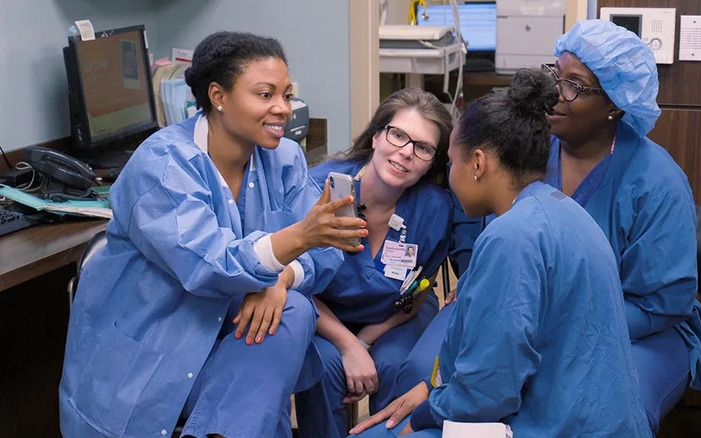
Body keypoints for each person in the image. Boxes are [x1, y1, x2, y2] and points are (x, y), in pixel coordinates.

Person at [397, 19, 701, 434]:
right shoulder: (528, 147)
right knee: (423, 371)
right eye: (556, 75)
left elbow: (663, 302)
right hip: (514, 308)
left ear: (615, 104)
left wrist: (543, 324)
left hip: (633, 330)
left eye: (575, 86)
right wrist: (480, 282)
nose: (555, 94)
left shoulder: (656, 181)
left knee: (596, 405)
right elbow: (476, 212)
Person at [59, 32, 365, 438]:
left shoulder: (284, 157)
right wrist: (300, 238)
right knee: (278, 355)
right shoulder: (164, 164)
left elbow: (329, 254)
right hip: (152, 361)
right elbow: (211, 265)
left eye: (287, 95)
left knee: (292, 310)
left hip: (230, 349)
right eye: (265, 94)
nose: (283, 109)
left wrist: (283, 279)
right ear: (218, 96)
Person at [350, 68, 651, 437]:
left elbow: (488, 390)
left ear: (477, 164)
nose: (451, 176)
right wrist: (432, 390)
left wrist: (426, 416)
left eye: (452, 163)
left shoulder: (512, 237)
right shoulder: (558, 211)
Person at [294, 88, 454, 438]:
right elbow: (294, 284)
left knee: (395, 363)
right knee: (324, 365)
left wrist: (366, 341)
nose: (406, 153)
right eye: (398, 135)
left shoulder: (434, 208)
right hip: (323, 314)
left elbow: (419, 290)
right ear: (378, 134)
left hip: (395, 316)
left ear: (433, 162)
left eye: (423, 148)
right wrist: (349, 346)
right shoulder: (318, 190)